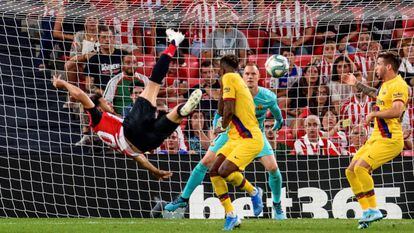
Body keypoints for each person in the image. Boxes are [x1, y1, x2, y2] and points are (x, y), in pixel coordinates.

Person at [52, 29, 202, 179]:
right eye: (104, 102)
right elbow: (80, 94)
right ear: (98, 106)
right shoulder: (96, 118)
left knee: (175, 115)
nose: (108, 104)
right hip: (131, 130)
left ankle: (183, 110)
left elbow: (137, 156)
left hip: (145, 145)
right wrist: (62, 83)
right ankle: (174, 42)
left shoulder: (104, 128)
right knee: (153, 84)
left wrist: (155, 171)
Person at [164, 62, 286, 222]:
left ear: (259, 77)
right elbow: (219, 113)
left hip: (255, 134)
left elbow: (276, 111)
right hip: (230, 133)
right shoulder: (235, 91)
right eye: (247, 74)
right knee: (206, 162)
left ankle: (276, 205)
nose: (250, 77)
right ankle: (183, 199)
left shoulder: (267, 96)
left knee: (273, 168)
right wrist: (216, 128)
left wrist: (279, 122)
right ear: (242, 77)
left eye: (253, 74)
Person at [342, 51, 409, 229]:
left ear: (388, 66)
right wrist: (356, 84)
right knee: (350, 171)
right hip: (377, 137)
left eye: (378, 64)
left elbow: (397, 110)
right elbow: (376, 94)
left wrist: (374, 113)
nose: (375, 67)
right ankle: (367, 212)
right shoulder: (386, 85)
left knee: (360, 168)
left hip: (390, 139)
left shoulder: (399, 86)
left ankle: (374, 210)